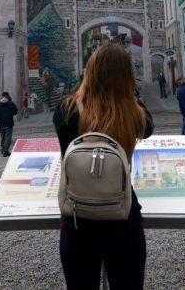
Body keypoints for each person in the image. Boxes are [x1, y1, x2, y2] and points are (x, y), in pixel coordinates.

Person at [53, 43, 154, 290]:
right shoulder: (135, 113)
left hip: (77, 219)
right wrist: (129, 92)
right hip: (122, 219)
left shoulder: (66, 110)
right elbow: (148, 128)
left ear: (89, 71)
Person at [0, 91, 18, 157]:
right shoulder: (11, 104)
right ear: (8, 96)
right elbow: (15, 111)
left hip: (1, 124)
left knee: (3, 138)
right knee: (8, 138)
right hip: (9, 123)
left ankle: (3, 150)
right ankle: (5, 152)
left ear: (2, 96)